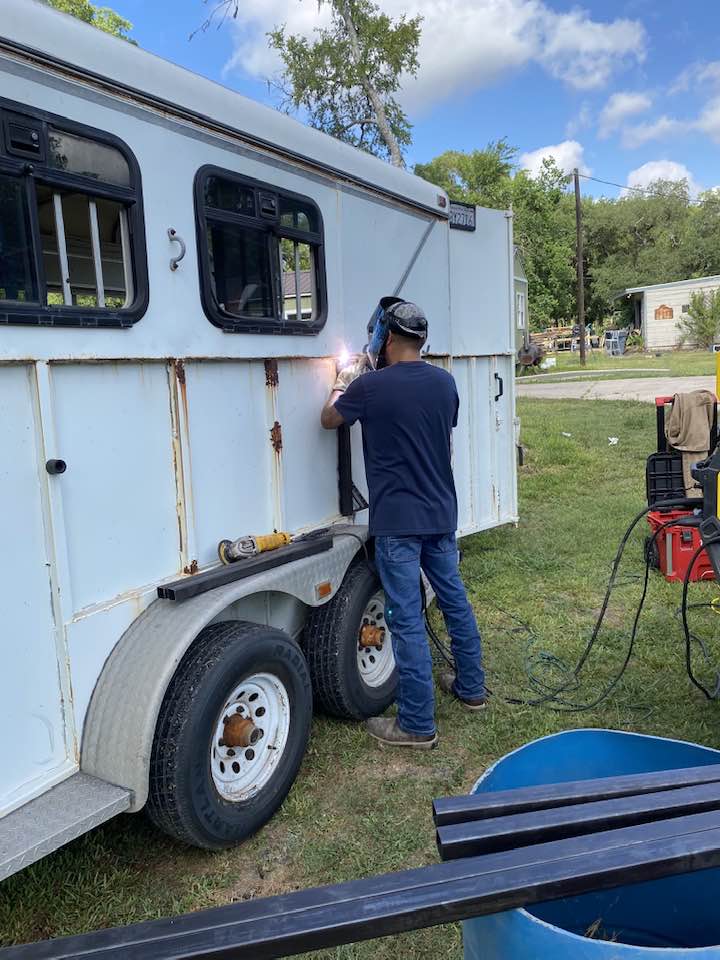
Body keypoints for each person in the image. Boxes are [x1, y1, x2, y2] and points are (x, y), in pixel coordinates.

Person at [320, 299, 487, 749]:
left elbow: (329, 419)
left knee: (407, 619)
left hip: (397, 521)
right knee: (454, 600)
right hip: (440, 514)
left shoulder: (370, 387)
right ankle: (471, 689)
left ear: (386, 339)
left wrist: (344, 380)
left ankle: (416, 724)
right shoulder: (444, 383)